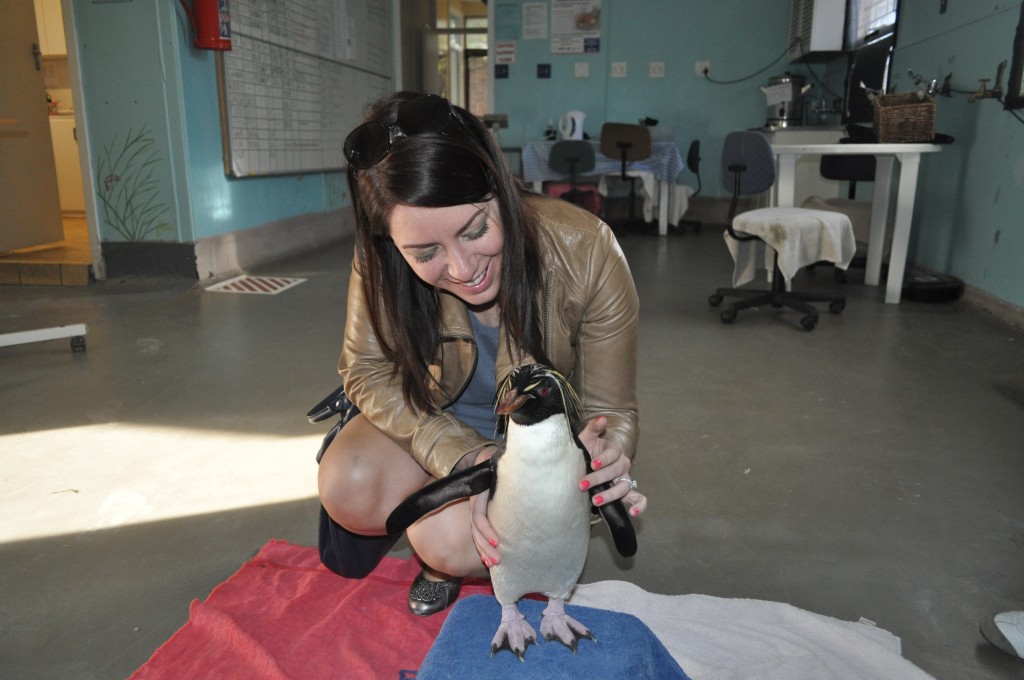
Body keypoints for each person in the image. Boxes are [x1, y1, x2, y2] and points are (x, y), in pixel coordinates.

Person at [317, 91, 647, 616]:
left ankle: (443, 556)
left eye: (475, 231)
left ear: (499, 186)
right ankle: (446, 493)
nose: (464, 267)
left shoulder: (589, 250)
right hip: (430, 414)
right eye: (425, 253)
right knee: (351, 484)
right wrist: (463, 457)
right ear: (391, 240)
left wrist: (604, 458)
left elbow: (615, 410)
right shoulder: (379, 257)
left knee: (445, 541)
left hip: (536, 446)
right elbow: (366, 371)